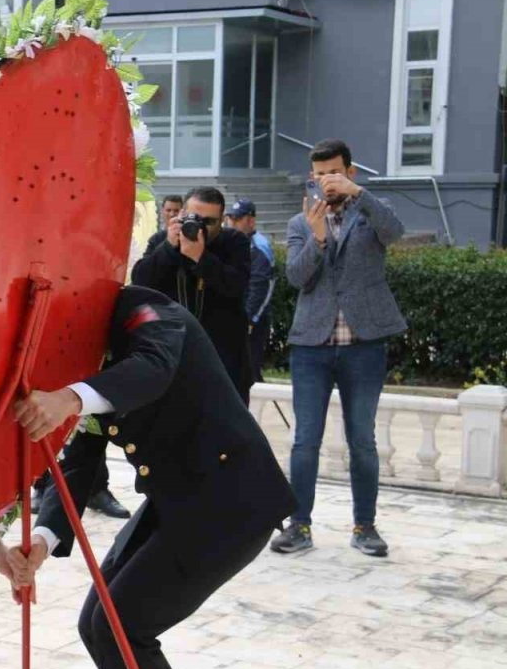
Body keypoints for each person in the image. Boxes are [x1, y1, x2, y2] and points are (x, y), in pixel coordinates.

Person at [0, 285, 295, 669]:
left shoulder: (146, 312)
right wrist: (43, 539)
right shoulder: (78, 346)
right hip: (178, 501)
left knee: (121, 628)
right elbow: (79, 459)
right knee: (101, 625)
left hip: (232, 503)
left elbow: (153, 369)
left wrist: (69, 395)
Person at [270, 138, 405, 558]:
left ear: (350, 171)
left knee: (362, 439)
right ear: (312, 175)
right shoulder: (300, 222)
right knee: (305, 440)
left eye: (335, 171)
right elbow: (296, 277)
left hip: (364, 345)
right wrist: (318, 238)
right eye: (320, 172)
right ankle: (300, 526)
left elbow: (395, 232)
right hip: (312, 345)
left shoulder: (370, 213)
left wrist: (359, 196)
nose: (327, 179)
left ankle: (365, 526)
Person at [132, 187, 253, 398]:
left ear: (222, 220)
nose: (200, 226)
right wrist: (170, 247)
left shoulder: (234, 242)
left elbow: (237, 286)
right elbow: (141, 281)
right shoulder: (163, 240)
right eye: (194, 218)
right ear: (181, 215)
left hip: (223, 355)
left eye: (209, 221)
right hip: (173, 351)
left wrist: (201, 258)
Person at [226, 198, 275, 385]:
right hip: (235, 316)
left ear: (251, 221)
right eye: (232, 218)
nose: (233, 222)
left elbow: (262, 287)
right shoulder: (232, 242)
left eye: (239, 219)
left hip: (253, 321)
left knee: (250, 372)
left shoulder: (259, 246)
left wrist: (250, 319)